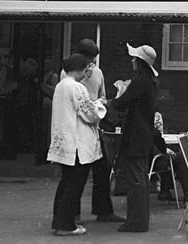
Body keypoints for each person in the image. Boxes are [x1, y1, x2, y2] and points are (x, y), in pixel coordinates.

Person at [47, 53, 106, 237]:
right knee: (74, 186)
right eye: (86, 69)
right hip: (78, 145)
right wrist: (100, 105)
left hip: (64, 143)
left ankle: (60, 222)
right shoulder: (77, 87)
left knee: (65, 184)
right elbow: (89, 114)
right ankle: (66, 225)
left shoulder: (60, 86)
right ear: (80, 69)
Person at [107, 43, 158, 232]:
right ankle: (138, 220)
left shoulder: (140, 81)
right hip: (143, 135)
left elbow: (122, 103)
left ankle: (136, 222)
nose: (132, 60)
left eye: (135, 58)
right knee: (140, 179)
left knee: (135, 180)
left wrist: (110, 101)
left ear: (140, 62)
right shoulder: (150, 81)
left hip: (135, 135)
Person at [73, 39, 124, 223]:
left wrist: (100, 105)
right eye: (89, 59)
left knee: (103, 170)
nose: (91, 64)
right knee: (77, 173)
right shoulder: (68, 74)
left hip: (95, 127)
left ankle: (103, 211)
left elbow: (102, 97)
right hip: (77, 129)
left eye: (93, 60)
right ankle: (73, 214)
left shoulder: (98, 73)